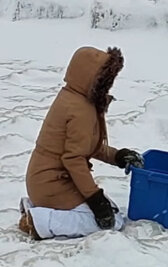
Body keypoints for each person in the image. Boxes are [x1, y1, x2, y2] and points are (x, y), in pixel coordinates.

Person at [18, 46, 144, 240]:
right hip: (52, 183)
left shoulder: (72, 97)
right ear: (93, 79)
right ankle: (39, 221)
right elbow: (74, 159)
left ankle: (37, 206)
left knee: (111, 211)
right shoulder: (80, 111)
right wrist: (96, 200)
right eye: (105, 80)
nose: (109, 85)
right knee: (112, 223)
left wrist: (117, 156)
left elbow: (86, 145)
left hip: (43, 178)